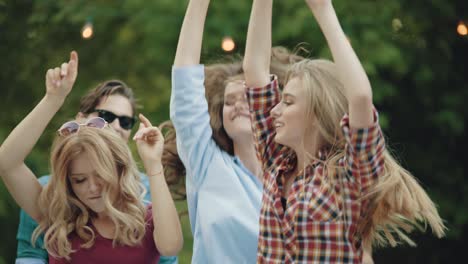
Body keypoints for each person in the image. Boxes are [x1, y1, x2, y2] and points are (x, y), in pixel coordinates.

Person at [243, 0, 446, 263]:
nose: (274, 110)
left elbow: (360, 97)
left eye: (289, 102)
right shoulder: (276, 161)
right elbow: (253, 70)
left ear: (317, 114)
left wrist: (322, 9)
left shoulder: (349, 173)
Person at [0, 51, 183, 263]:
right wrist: (53, 99)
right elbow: (7, 163)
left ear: (119, 170)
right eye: (79, 180)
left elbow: (171, 247)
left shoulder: (145, 218)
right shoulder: (60, 215)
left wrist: (153, 165)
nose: (93, 187)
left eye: (100, 176)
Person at [169, 0, 305, 262]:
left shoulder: (295, 173)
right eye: (229, 102)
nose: (237, 106)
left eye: (246, 98)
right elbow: (185, 88)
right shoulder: (207, 164)